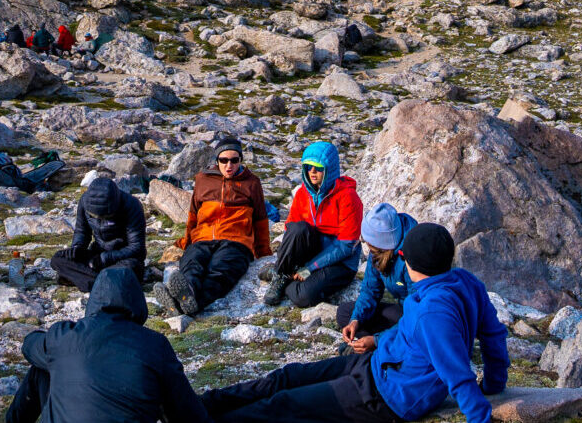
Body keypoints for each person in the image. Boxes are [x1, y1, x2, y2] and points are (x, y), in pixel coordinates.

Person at [200, 223, 507, 423]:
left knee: (283, 405)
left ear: (410, 263)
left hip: (385, 398)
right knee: (288, 376)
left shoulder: (433, 314)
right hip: (377, 366)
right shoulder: (464, 282)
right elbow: (493, 335)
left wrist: (481, 413)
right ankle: (203, 404)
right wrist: (495, 384)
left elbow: (457, 374)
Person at [6, 265, 206, 423]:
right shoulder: (155, 344)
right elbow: (187, 414)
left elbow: (28, 345)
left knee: (46, 363)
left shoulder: (66, 336)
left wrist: (50, 341)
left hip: (65, 344)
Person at [165, 138, 271, 316]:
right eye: (224, 160)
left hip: (236, 241)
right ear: (216, 161)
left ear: (240, 160)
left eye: (234, 160)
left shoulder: (252, 183)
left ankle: (187, 304)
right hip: (203, 237)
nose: (229, 165)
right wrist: (187, 242)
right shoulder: (202, 179)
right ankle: (186, 293)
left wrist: (264, 255)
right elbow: (193, 215)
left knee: (221, 271)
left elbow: (260, 220)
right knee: (192, 264)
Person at [269, 141, 361, 309]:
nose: (312, 172)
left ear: (329, 169)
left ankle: (286, 276)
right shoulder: (303, 193)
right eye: (308, 166)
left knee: (304, 296)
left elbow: (346, 246)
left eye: (318, 168)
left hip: (341, 263)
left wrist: (310, 268)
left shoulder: (348, 197)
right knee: (297, 229)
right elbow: (291, 232)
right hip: (313, 251)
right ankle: (279, 275)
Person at [52, 174, 147, 292]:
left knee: (131, 269)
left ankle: (82, 279)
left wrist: (105, 258)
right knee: (57, 259)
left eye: (105, 216)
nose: (99, 219)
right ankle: (107, 282)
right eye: (94, 216)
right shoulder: (84, 201)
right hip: (96, 254)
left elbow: (136, 247)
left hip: (123, 258)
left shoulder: (131, 205)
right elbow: (82, 231)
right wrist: (77, 248)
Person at [341, 204, 414, 346]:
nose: (365, 243)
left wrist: (376, 341)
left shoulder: (412, 255)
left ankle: (383, 345)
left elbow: (417, 313)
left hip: (416, 317)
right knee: (345, 313)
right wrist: (356, 320)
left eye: (367, 241)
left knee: (412, 330)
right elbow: (370, 289)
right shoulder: (378, 251)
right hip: (403, 311)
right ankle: (383, 341)